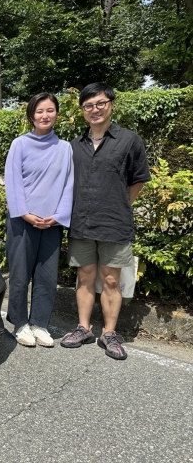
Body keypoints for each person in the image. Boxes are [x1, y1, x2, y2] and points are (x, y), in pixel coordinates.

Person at [60, 82, 151, 360]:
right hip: (81, 223)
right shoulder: (74, 146)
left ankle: (109, 333)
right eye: (88, 105)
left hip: (114, 223)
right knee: (84, 277)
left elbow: (137, 181)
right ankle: (83, 327)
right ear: (82, 111)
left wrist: (118, 206)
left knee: (111, 280)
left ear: (111, 104)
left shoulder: (129, 140)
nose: (95, 109)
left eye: (100, 103)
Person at [4, 93, 74, 347]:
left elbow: (69, 185)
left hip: (52, 223)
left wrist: (57, 217)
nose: (44, 116)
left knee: (47, 276)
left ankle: (40, 323)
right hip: (22, 221)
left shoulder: (65, 148)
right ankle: (21, 323)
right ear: (31, 115)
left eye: (50, 110)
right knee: (20, 275)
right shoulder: (19, 144)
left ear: (57, 113)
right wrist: (24, 213)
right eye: (39, 111)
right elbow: (13, 182)